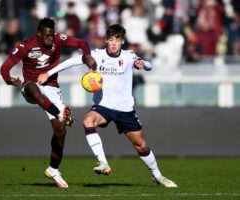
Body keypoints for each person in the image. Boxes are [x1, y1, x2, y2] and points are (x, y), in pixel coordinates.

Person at [38, 24, 178, 188]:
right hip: (103, 107)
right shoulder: (96, 55)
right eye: (110, 40)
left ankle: (158, 175)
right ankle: (103, 162)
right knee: (88, 121)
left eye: (117, 40)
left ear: (122, 41)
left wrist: (142, 64)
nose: (113, 43)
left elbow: (149, 65)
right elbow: (72, 61)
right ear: (106, 40)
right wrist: (48, 73)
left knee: (141, 144)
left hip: (125, 109)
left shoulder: (128, 56)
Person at [0, 17, 96, 188]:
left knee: (61, 131)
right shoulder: (26, 45)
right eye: (47, 36)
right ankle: (59, 113)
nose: (51, 39)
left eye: (52, 35)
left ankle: (53, 169)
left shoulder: (58, 39)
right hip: (31, 86)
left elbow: (82, 43)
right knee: (31, 88)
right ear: (39, 34)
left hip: (51, 87)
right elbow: (5, 67)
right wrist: (8, 79)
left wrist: (87, 56)